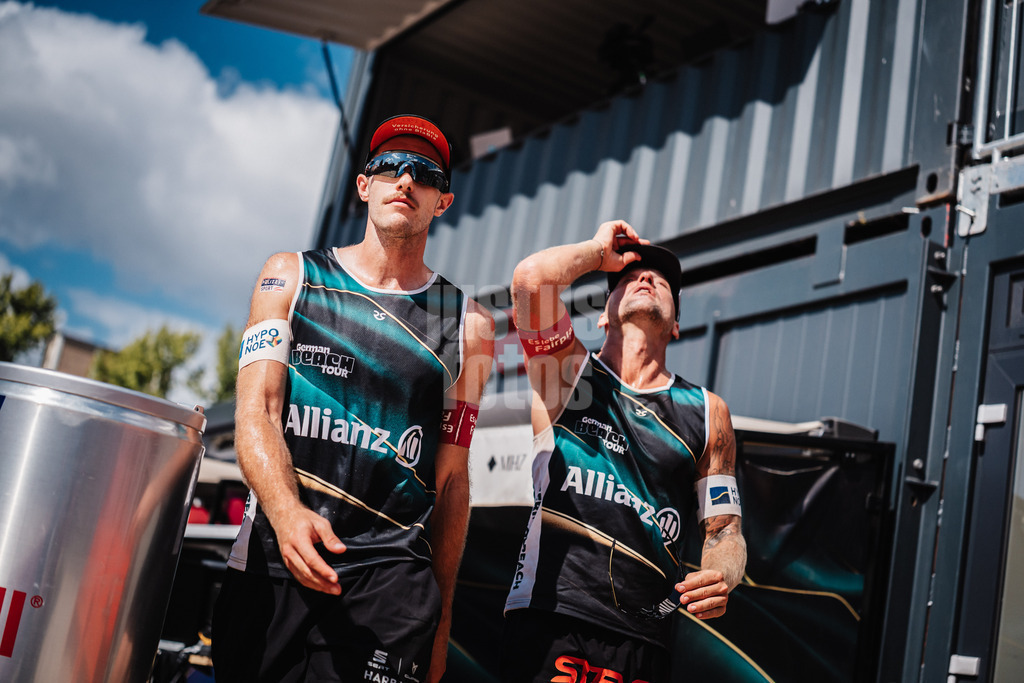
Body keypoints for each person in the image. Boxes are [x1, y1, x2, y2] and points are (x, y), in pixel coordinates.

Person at [213, 114, 494, 683]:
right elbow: (256, 414)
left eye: (424, 173)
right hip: (276, 558)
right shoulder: (288, 277)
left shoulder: (471, 327)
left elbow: (453, 481)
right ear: (364, 185)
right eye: (389, 166)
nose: (405, 180)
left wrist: (441, 625)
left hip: (391, 587)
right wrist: (288, 514)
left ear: (442, 201)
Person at [501, 220, 746, 682]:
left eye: (662, 280)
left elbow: (725, 532)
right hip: (553, 617)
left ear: (676, 325)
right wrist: (598, 250)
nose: (646, 278)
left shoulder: (709, 412)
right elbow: (530, 282)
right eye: (628, 278)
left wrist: (722, 575)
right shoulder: (568, 376)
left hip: (645, 637)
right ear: (602, 313)